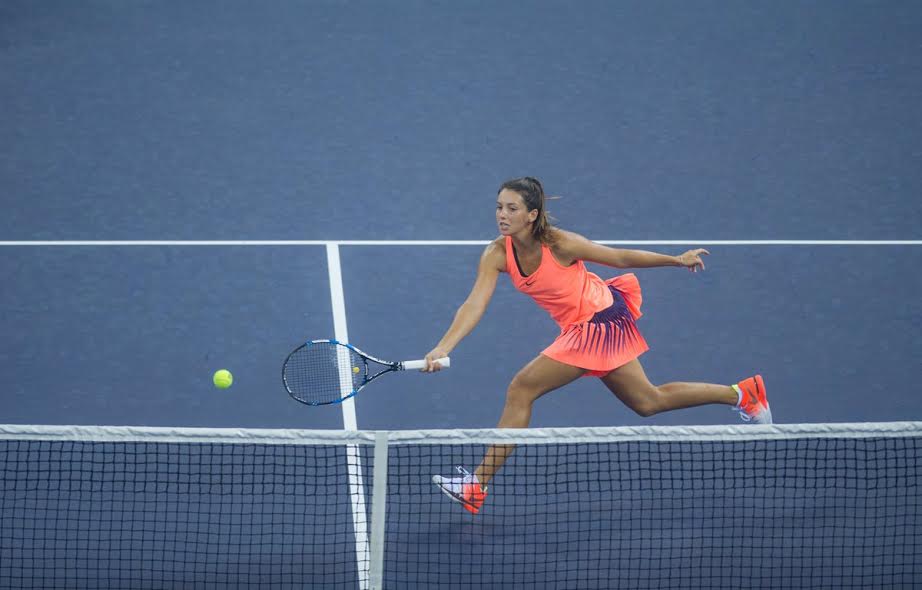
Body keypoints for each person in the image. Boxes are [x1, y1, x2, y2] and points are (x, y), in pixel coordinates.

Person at [423, 177, 771, 514]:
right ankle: (743, 394)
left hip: (598, 321)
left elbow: (619, 257)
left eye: (512, 208)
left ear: (531, 214)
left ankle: (476, 485)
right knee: (648, 402)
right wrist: (444, 346)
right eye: (499, 207)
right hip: (589, 324)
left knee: (522, 389)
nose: (502, 215)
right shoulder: (496, 253)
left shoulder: (560, 244)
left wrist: (676, 260)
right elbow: (474, 303)